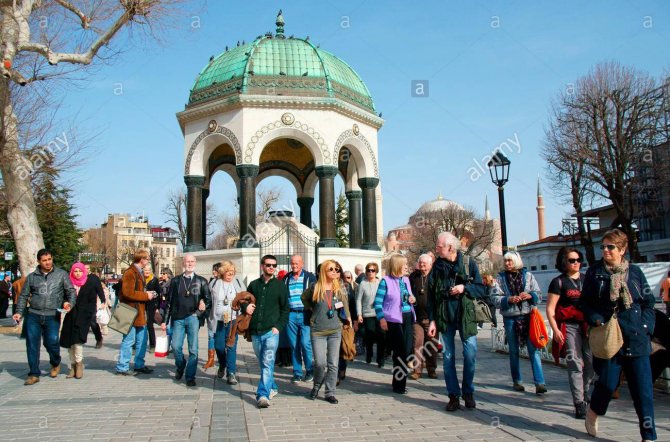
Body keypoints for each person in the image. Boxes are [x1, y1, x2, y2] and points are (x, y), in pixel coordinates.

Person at [580, 229, 656, 441]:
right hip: (609, 338)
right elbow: (584, 302)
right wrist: (595, 317)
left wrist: (645, 327)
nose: (605, 250)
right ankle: (594, 411)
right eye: (603, 246)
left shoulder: (635, 272)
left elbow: (648, 303)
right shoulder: (595, 273)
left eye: (610, 247)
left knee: (643, 392)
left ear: (622, 249)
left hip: (636, 337)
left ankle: (648, 435)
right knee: (607, 385)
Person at [427, 232, 484, 411]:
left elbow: (481, 289)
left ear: (450, 247)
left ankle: (468, 391)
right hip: (446, 317)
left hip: (466, 317)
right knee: (449, 357)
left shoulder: (468, 263)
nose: (436, 248)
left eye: (439, 246)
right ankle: (453, 395)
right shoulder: (436, 267)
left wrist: (463, 287)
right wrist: (432, 321)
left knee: (470, 354)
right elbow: (431, 297)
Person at [13, 249, 76, 385]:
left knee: (51, 342)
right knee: (32, 344)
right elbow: (24, 295)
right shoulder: (32, 277)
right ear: (39, 262)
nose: (47, 263)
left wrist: (70, 303)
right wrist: (19, 311)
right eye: (44, 260)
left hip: (52, 315)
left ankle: (55, 361)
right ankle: (34, 373)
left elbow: (70, 290)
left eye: (49, 259)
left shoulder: (61, 274)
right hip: (33, 315)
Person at [545, 247, 594, 419]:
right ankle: (579, 403)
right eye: (571, 260)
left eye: (578, 260)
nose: (576, 263)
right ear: (564, 262)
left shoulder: (586, 279)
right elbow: (550, 309)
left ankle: (587, 393)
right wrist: (556, 330)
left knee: (590, 362)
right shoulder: (558, 282)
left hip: (587, 326)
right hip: (569, 326)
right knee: (575, 363)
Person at [492, 250, 545, 395]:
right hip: (510, 317)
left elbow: (539, 295)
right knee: (513, 351)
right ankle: (517, 380)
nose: (507, 263)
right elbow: (494, 297)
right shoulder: (501, 278)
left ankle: (539, 382)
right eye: (506, 261)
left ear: (516, 261)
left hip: (528, 316)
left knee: (533, 350)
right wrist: (508, 299)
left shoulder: (528, 276)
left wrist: (530, 295)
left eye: (510, 260)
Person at [301, 259, 351, 403]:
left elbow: (345, 305)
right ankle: (316, 385)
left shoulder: (340, 288)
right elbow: (304, 298)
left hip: (335, 330)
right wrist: (312, 309)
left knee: (333, 363)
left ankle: (330, 392)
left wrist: (348, 319)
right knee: (320, 363)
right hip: (318, 331)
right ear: (324, 271)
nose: (335, 272)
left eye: (337, 269)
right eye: (331, 269)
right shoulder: (315, 287)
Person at [246, 254, 289, 408]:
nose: (272, 267)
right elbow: (245, 299)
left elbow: (285, 309)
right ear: (262, 266)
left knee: (267, 362)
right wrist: (246, 307)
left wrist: (278, 327)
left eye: (274, 265)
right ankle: (273, 387)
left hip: (271, 332)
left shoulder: (280, 286)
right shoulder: (253, 285)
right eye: (269, 265)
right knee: (263, 362)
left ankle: (263, 395)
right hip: (256, 332)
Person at [161, 254, 211, 387]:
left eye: (192, 261)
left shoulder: (201, 281)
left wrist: (202, 308)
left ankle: (190, 376)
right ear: (183, 263)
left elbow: (208, 300)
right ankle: (181, 364)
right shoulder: (176, 281)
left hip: (193, 318)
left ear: (195, 263)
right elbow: (169, 302)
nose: (189, 263)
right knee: (175, 346)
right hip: (178, 318)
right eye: (187, 261)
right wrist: (164, 321)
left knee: (193, 350)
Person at [375, 254, 416, 395]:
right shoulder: (385, 281)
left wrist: (412, 299)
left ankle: (399, 381)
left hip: (408, 317)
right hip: (393, 320)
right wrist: (381, 318)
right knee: (400, 352)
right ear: (397, 265)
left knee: (408, 350)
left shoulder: (406, 280)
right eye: (404, 264)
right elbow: (378, 303)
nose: (406, 267)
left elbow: (410, 297)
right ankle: (399, 385)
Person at [116, 250, 157, 376]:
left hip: (138, 313)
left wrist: (149, 294)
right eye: (147, 259)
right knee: (129, 340)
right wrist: (146, 295)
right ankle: (122, 367)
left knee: (142, 340)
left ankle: (139, 365)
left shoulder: (138, 272)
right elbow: (127, 293)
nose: (148, 261)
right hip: (129, 311)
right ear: (142, 259)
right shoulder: (130, 272)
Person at [209, 260, 245, 385]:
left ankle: (231, 373)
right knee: (219, 346)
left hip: (233, 320)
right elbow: (209, 300)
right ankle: (222, 364)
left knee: (231, 346)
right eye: (229, 273)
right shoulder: (215, 283)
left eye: (233, 273)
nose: (231, 275)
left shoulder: (238, 283)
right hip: (218, 320)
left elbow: (244, 298)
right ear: (223, 272)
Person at [59, 263, 97, 379]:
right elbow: (62, 297)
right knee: (70, 343)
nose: (77, 273)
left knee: (78, 342)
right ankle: (73, 366)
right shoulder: (68, 284)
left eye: (80, 271)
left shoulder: (89, 283)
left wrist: (89, 314)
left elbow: (92, 301)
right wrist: (65, 303)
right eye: (75, 271)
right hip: (70, 316)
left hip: (83, 317)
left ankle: (79, 364)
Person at [283, 254, 316, 383]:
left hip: (305, 314)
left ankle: (309, 370)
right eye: (292, 263)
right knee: (294, 344)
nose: (294, 265)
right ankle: (297, 372)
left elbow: (316, 294)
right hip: (291, 314)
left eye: (297, 263)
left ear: (302, 264)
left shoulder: (310, 277)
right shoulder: (286, 278)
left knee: (305, 343)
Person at [409, 254, 438, 380]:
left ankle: (431, 368)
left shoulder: (436, 277)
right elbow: (407, 291)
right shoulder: (414, 277)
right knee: (417, 343)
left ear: (430, 264)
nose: (422, 265)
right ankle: (417, 370)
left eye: (424, 263)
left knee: (431, 344)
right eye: (420, 263)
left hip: (431, 318)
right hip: (417, 317)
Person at [356, 262, 383, 367]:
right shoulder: (363, 283)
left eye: (373, 270)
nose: (370, 272)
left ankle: (380, 360)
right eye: (368, 270)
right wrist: (359, 314)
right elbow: (358, 300)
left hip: (379, 313)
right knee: (369, 336)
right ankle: (369, 354)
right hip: (367, 314)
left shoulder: (380, 282)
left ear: (376, 271)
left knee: (381, 336)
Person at [204, 263, 222, 371]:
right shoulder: (211, 282)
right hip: (211, 315)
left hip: (221, 316)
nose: (214, 272)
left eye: (216, 270)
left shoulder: (223, 282)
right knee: (211, 336)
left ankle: (221, 359)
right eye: (213, 270)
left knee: (220, 339)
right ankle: (210, 359)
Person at [84, 264, 106, 348]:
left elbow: (99, 289)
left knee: (92, 322)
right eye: (84, 268)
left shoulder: (94, 278)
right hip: (80, 303)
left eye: (88, 268)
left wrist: (103, 300)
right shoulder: (80, 277)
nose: (86, 270)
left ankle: (99, 338)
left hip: (91, 303)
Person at [143, 266, 161, 352]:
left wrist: (157, 307)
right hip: (141, 304)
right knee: (139, 325)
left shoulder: (154, 280)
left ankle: (152, 345)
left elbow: (158, 293)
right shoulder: (140, 279)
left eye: (148, 270)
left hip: (151, 304)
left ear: (151, 271)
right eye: (145, 270)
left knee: (149, 324)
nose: (147, 271)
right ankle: (136, 345)